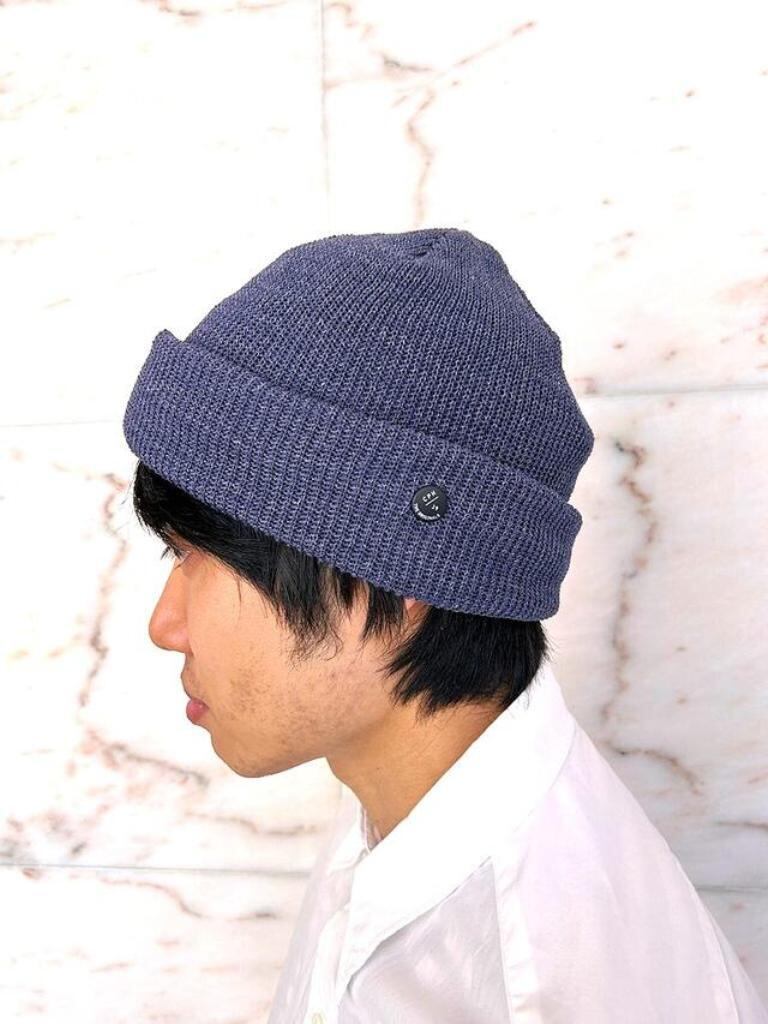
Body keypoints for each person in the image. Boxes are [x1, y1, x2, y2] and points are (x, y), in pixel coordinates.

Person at [122, 228, 768, 1023]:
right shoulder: (394, 815)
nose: (165, 625)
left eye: (194, 555)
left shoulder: (538, 974)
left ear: (397, 569)